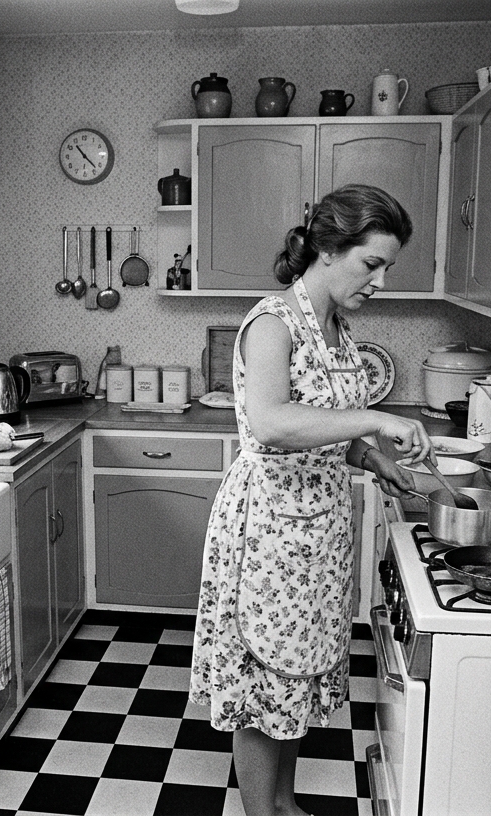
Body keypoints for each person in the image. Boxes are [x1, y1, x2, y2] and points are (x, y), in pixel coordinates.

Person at [189, 184, 432, 816]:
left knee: (294, 676)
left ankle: (283, 803)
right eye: (371, 263)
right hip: (269, 531)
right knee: (263, 682)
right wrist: (375, 421)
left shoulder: (339, 330)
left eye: (387, 267)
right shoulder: (273, 323)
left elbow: (325, 429)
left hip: (321, 530)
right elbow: (272, 423)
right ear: (328, 249)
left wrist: (372, 459)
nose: (380, 281)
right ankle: (260, 813)